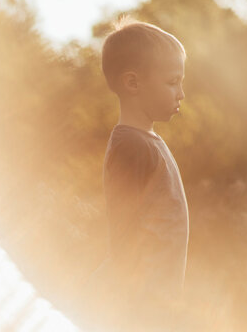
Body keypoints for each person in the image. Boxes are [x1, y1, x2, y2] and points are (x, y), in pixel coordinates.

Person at [81, 17, 190, 332]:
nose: (181, 93)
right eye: (172, 82)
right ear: (133, 83)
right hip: (139, 310)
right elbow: (124, 236)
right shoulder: (132, 146)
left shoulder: (147, 142)